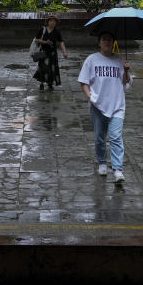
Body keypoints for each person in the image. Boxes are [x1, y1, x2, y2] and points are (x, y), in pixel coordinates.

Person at [78, 31, 133, 184]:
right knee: (99, 137)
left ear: (113, 42)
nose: (107, 42)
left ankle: (117, 169)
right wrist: (90, 96)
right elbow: (83, 81)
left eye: (110, 40)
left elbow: (126, 83)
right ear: (99, 42)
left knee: (115, 137)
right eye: (104, 40)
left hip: (117, 105)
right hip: (98, 105)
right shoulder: (92, 60)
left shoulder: (119, 60)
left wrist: (127, 71)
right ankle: (102, 162)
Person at [32, 16, 67, 91]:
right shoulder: (43, 29)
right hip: (43, 52)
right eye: (51, 21)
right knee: (42, 68)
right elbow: (36, 39)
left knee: (52, 69)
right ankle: (41, 83)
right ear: (48, 22)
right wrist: (44, 42)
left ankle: (50, 84)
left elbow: (61, 41)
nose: (52, 22)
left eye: (54, 21)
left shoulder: (57, 31)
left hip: (52, 53)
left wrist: (64, 51)